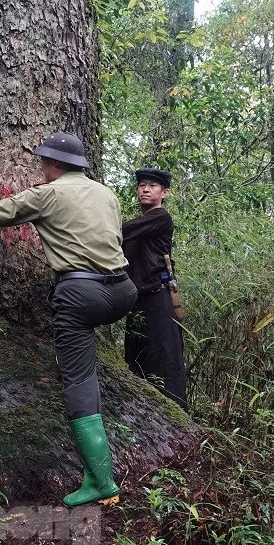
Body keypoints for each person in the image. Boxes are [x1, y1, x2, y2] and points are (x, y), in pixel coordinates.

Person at [0, 132, 137, 507]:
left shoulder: (46, 195)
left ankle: (102, 481)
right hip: (123, 291)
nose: (41, 166)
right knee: (86, 362)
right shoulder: (106, 194)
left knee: (80, 380)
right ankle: (99, 472)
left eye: (43, 161)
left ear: (53, 164)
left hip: (80, 294)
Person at [122, 168, 187, 409]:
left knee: (163, 357)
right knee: (137, 356)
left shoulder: (160, 217)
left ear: (164, 193)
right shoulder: (142, 222)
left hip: (157, 297)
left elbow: (122, 231)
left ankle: (174, 411)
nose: (145, 189)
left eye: (152, 186)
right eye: (141, 185)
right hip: (137, 298)